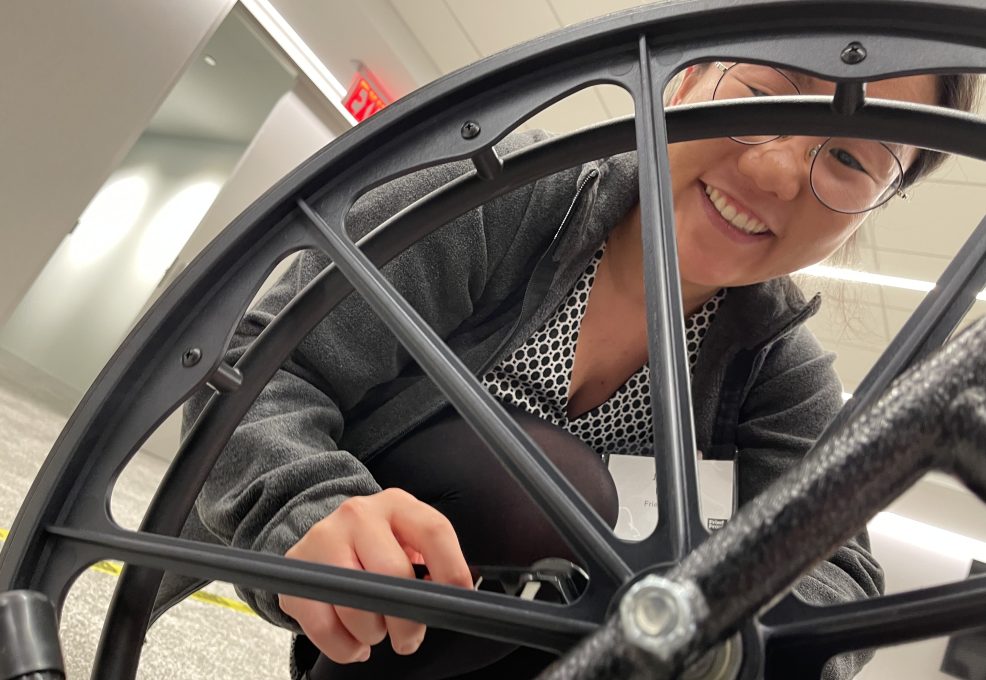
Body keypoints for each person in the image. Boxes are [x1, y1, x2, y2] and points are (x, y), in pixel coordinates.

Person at [167, 61, 981, 680]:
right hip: (377, 600)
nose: (773, 172)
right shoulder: (505, 195)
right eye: (765, 94)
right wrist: (307, 505)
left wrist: (725, 627)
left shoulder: (778, 367)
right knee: (551, 487)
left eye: (846, 157)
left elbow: (837, 570)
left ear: (880, 198)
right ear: (683, 77)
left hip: (567, 648)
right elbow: (258, 366)